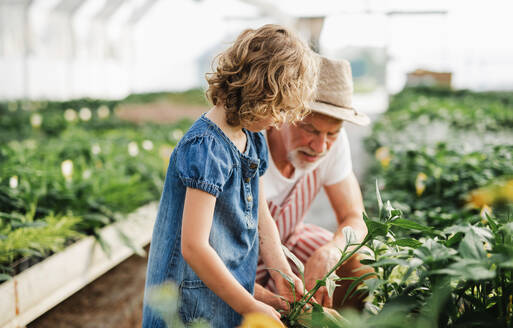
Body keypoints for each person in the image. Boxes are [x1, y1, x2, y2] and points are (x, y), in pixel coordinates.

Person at [142, 24, 318, 328]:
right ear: (257, 93)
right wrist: (250, 305)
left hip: (224, 293)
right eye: (276, 109)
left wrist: (282, 275)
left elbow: (263, 219)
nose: (278, 120)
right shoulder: (206, 148)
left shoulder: (253, 137)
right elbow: (193, 247)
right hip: (187, 305)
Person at [254, 55, 373, 310]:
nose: (320, 146)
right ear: (283, 112)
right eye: (310, 129)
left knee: (360, 264)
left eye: (332, 133)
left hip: (289, 243)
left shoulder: (333, 144)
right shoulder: (250, 145)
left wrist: (331, 251)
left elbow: (355, 217)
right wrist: (272, 303)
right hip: (237, 261)